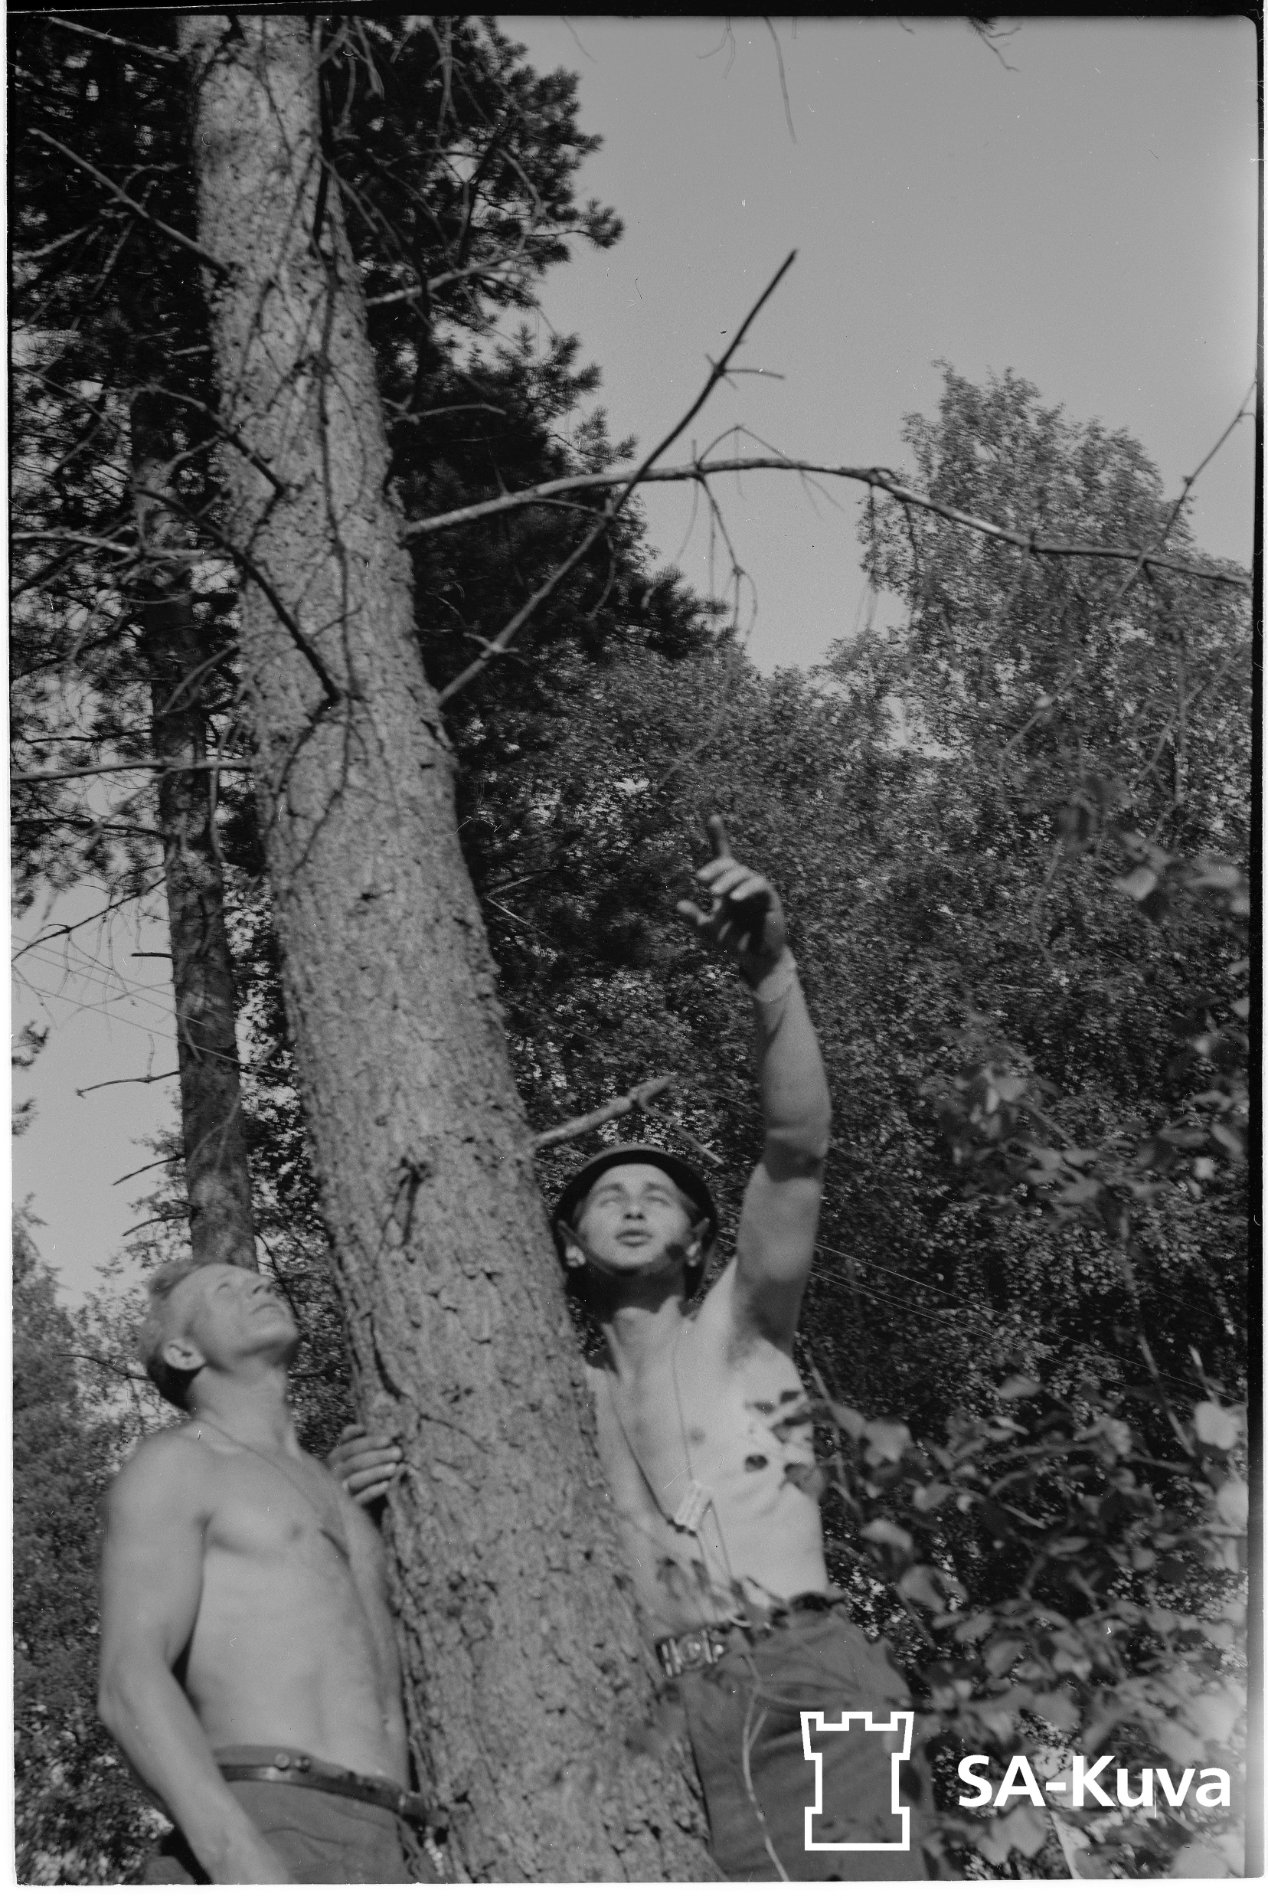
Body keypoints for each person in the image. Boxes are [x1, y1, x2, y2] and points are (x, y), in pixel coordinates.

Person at [338, 818, 934, 1880]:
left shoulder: (742, 1331)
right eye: (605, 1195)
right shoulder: (542, 1399)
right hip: (651, 1729)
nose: (629, 1202)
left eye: (656, 1194)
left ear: (696, 1241)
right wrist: (351, 1492)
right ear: (569, 1245)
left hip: (811, 1676)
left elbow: (796, 1152)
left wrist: (773, 974)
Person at [98, 1258, 442, 1884]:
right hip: (270, 1823)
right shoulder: (179, 1464)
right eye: (224, 1290)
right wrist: (241, 1858)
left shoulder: (340, 1491)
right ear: (182, 1351)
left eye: (254, 1279)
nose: (258, 1283)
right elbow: (129, 1679)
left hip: (394, 1843)